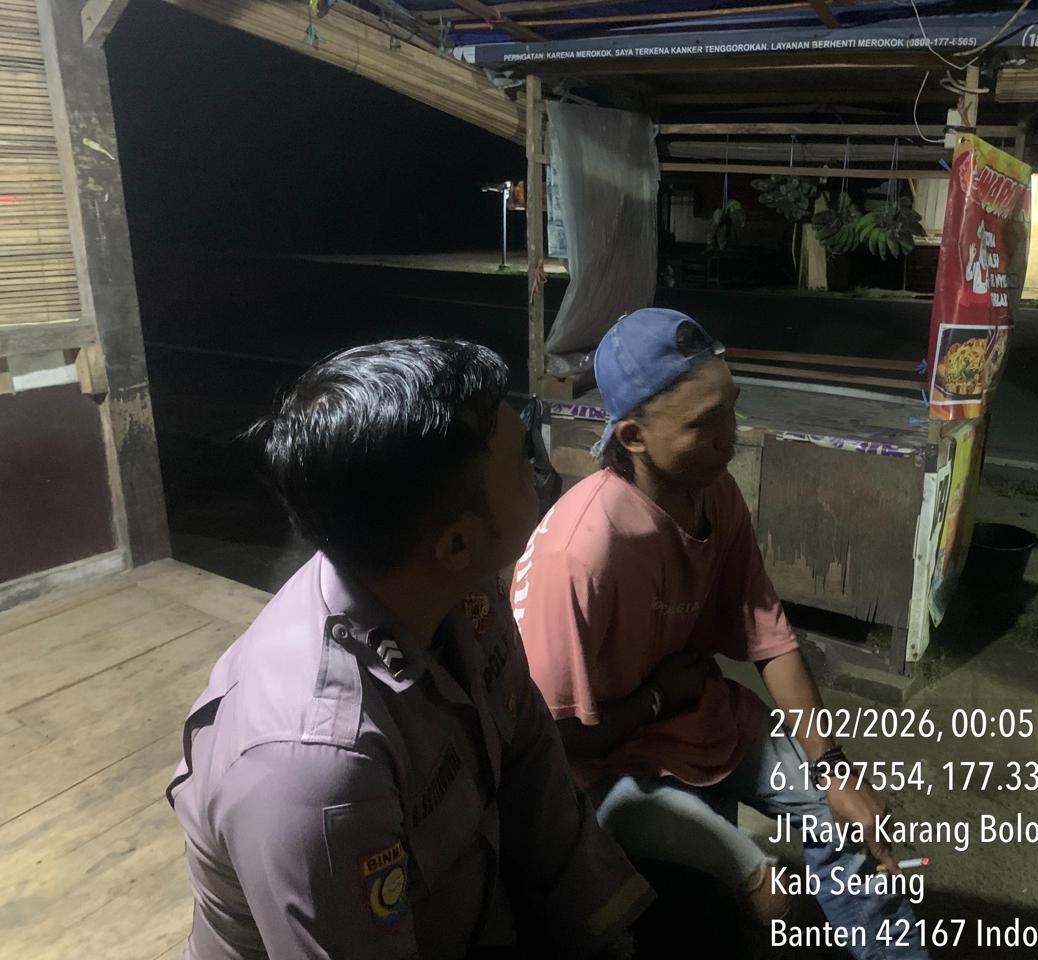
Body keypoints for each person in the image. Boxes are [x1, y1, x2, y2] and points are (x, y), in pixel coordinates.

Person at [166, 338, 652, 960]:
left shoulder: (457, 583)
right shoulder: (315, 766)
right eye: (521, 460)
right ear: (456, 543)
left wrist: (609, 938)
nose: (540, 470)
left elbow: (529, 756)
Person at [511, 309, 928, 958]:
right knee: (757, 894)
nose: (730, 438)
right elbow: (550, 740)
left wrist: (834, 770)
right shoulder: (584, 550)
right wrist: (654, 700)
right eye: (704, 424)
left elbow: (771, 638)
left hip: (695, 716)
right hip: (604, 766)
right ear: (633, 436)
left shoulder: (713, 491)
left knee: (849, 822)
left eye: (731, 410)